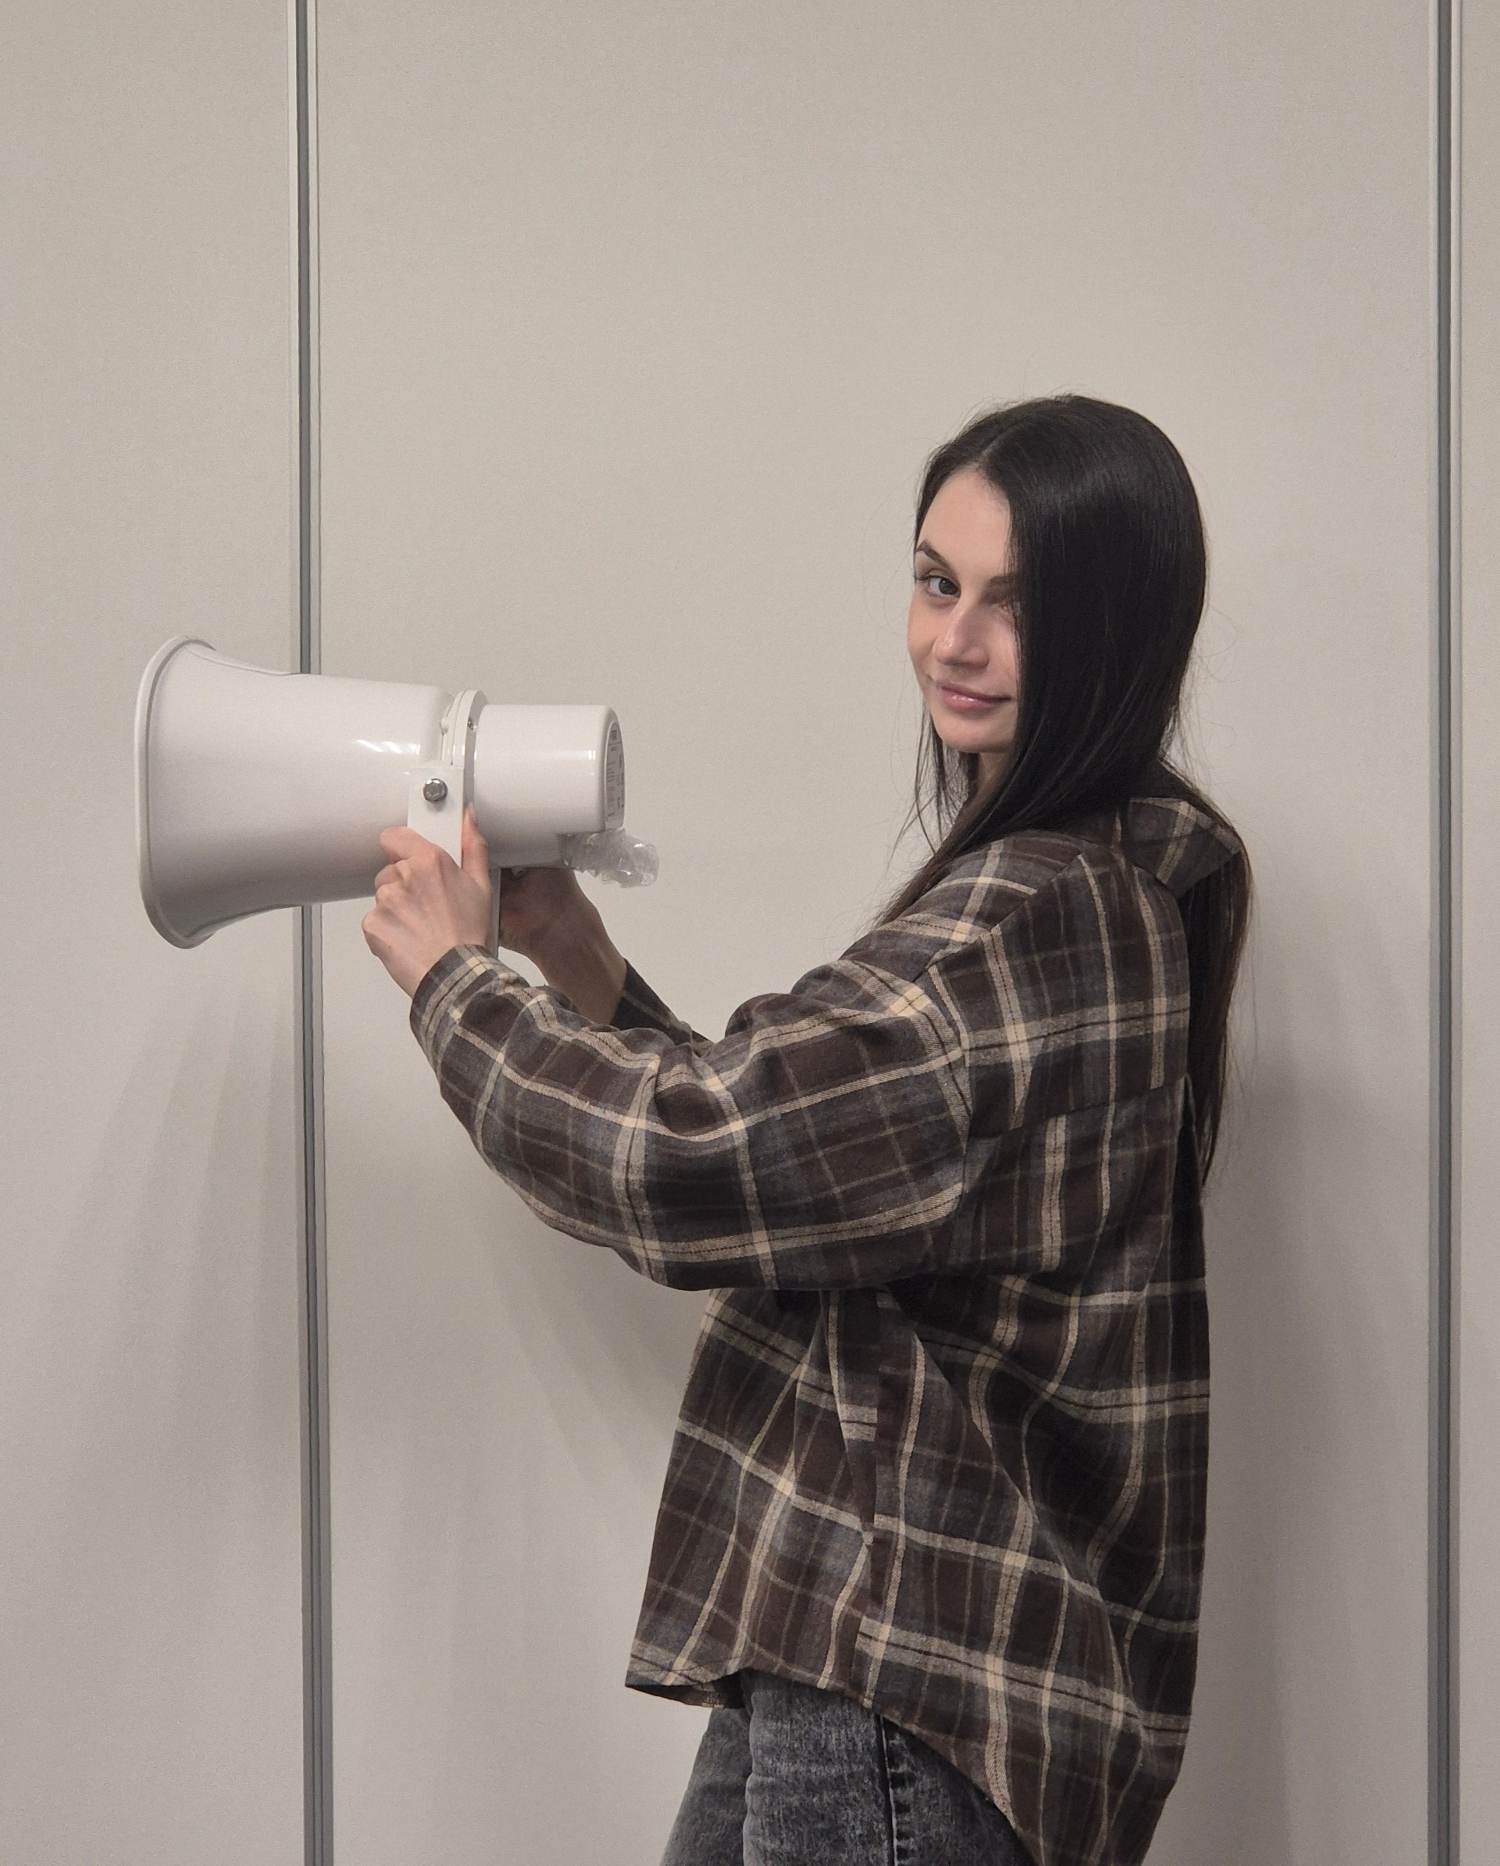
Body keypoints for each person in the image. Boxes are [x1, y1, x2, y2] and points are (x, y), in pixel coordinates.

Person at [361, 395, 1252, 1866]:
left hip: (903, 1674)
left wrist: (454, 984)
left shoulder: (1040, 910)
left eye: (1020, 606)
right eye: (937, 581)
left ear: (1119, 633)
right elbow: (818, 1174)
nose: (956, 642)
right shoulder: (1090, 894)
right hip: (870, 1663)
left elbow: (691, 1163)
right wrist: (576, 961)